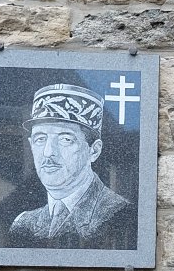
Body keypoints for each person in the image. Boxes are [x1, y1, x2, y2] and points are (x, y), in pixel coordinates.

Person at [9, 83, 136, 250]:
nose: (48, 152)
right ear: (31, 144)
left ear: (94, 150)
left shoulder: (122, 217)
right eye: (40, 139)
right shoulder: (23, 224)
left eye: (65, 139)